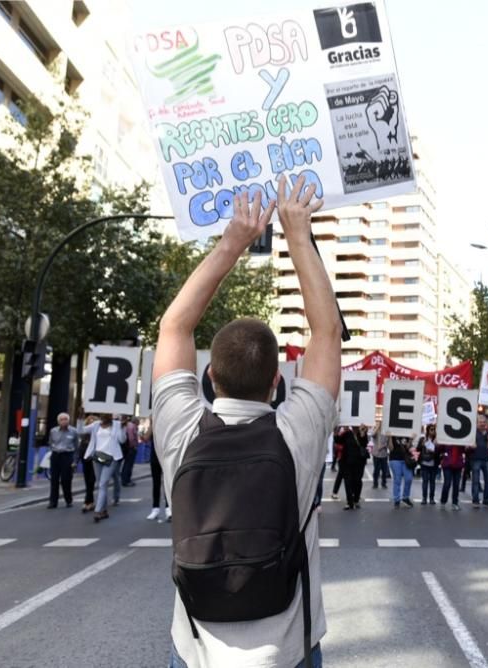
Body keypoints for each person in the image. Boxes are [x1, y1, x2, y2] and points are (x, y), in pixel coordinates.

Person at [151, 175, 339, 668]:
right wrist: (298, 233)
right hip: (289, 650)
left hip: (195, 650)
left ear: (209, 376)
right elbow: (327, 332)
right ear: (278, 382)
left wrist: (234, 239)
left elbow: (175, 325)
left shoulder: (182, 432)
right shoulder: (296, 434)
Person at [83, 413, 124, 522]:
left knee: (103, 483)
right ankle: (104, 510)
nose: (103, 418)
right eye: (102, 416)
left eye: (106, 416)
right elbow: (81, 430)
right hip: (98, 457)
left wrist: (122, 428)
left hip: (111, 457)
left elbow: (122, 440)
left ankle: (98, 511)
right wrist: (79, 417)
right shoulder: (96, 425)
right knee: (100, 484)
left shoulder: (116, 425)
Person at [47, 412, 79, 509]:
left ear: (68, 421)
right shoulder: (53, 431)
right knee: (54, 479)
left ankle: (68, 499)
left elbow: (77, 447)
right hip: (56, 455)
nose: (64, 421)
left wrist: (75, 461)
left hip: (67, 455)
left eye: (65, 419)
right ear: (58, 421)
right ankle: (53, 501)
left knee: (66, 479)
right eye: (62, 419)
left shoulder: (73, 431)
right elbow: (50, 442)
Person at [467, 415, 488, 508]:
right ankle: (475, 500)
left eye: (484, 422)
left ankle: (487, 500)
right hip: (475, 459)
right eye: (480, 422)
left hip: (486, 459)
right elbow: (466, 447)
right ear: (477, 423)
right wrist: (470, 445)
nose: (482, 424)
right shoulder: (472, 433)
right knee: (475, 481)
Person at [337, 425, 369, 510]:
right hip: (347, 462)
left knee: (357, 481)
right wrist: (336, 430)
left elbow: (364, 444)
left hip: (359, 462)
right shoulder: (347, 433)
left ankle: (356, 500)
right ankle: (349, 502)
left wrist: (362, 434)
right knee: (348, 482)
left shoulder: (362, 433)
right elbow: (338, 440)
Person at [144, 425, 171, 522]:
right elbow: (145, 438)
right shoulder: (154, 425)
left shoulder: (168, 423)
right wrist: (152, 424)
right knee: (156, 483)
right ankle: (155, 508)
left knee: (167, 483)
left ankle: (169, 508)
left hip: (167, 457)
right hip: (155, 457)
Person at [76, 412, 97, 513]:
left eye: (93, 421)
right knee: (87, 480)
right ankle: (90, 501)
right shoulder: (84, 435)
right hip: (85, 458)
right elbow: (79, 431)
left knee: (91, 480)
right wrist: (80, 418)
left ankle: (87, 501)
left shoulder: (97, 434)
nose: (91, 423)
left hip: (95, 458)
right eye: (89, 421)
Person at [388, 435, 415, 508]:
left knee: (409, 478)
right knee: (397, 479)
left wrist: (411, 440)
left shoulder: (406, 434)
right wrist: (389, 437)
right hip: (395, 459)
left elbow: (408, 448)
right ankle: (397, 499)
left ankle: (405, 497)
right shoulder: (392, 435)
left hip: (405, 460)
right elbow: (391, 448)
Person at [438, 443, 465, 510]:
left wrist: (470, 447)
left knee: (456, 484)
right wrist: (437, 443)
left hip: (458, 464)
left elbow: (466, 450)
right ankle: (443, 501)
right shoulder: (447, 440)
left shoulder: (461, 440)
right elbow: (439, 449)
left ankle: (455, 503)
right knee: (447, 483)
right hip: (447, 464)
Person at [417, 424, 440, 505]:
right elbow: (417, 449)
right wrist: (422, 444)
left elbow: (439, 452)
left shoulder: (437, 440)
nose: (432, 431)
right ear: (427, 430)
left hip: (434, 464)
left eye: (433, 429)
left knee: (432, 481)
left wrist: (436, 447)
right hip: (424, 463)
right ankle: (424, 498)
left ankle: (431, 498)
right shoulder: (423, 439)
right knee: (425, 481)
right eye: (431, 429)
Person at [121, 415, 140, 487]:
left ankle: (124, 479)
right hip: (131, 448)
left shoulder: (127, 425)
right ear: (135, 421)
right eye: (138, 422)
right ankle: (127, 480)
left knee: (126, 464)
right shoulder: (133, 427)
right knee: (129, 465)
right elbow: (131, 438)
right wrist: (134, 446)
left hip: (126, 448)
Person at [371, 424, 390, 489]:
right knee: (376, 470)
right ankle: (375, 483)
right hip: (376, 454)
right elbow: (373, 435)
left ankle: (384, 483)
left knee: (384, 470)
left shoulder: (386, 432)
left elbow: (388, 443)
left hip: (384, 454)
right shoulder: (376, 431)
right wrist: (378, 427)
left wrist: (383, 446)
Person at [329, 426, 344, 500]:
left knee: (349, 477)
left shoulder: (348, 432)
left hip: (347, 458)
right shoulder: (341, 432)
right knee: (340, 476)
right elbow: (337, 444)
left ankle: (353, 494)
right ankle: (334, 492)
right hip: (342, 458)